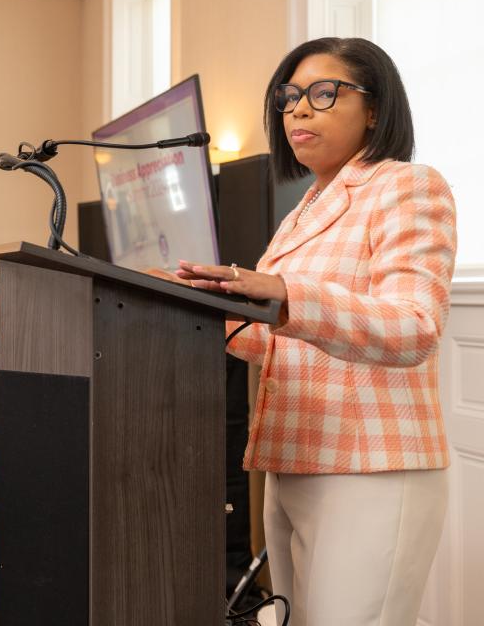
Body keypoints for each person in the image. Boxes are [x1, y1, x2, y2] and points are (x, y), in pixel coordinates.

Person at [162, 38, 456, 626]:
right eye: (290, 96)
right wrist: (188, 300)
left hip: (370, 465)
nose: (298, 109)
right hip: (294, 459)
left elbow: (414, 326)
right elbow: (273, 338)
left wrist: (284, 294)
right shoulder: (304, 210)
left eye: (324, 93)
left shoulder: (407, 185)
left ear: (374, 109)